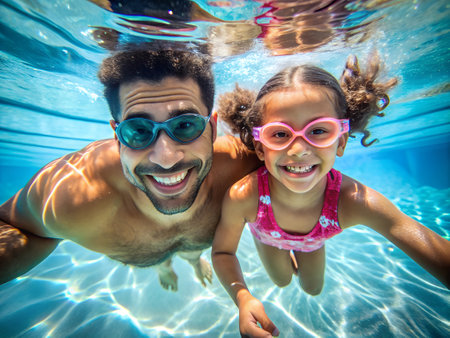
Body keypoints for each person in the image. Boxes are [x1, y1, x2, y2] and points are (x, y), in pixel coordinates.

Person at [211, 54, 450, 337]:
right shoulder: (244, 197)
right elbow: (223, 251)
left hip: (314, 240)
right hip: (267, 234)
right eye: (279, 135)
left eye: (319, 131)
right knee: (282, 280)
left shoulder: (353, 201)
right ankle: (280, 244)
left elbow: (417, 236)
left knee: (313, 288)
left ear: (341, 141)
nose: (298, 149)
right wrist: (243, 298)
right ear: (260, 149)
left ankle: (306, 241)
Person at [0, 46, 261, 291]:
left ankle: (193, 261)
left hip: (195, 246)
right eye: (138, 130)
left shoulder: (245, 164)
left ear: (212, 128)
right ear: (117, 136)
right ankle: (163, 266)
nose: (166, 158)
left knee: (193, 252)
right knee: (161, 259)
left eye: (185, 125)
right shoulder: (75, 194)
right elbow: (10, 227)